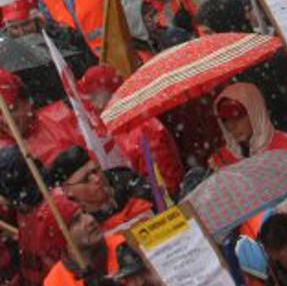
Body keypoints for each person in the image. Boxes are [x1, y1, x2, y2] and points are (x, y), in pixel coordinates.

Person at [76, 65, 183, 196]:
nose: (91, 104)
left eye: (92, 96)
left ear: (107, 91)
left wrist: (160, 197)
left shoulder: (137, 124)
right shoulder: (120, 124)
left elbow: (163, 174)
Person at [44, 147, 153, 232]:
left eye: (95, 171)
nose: (97, 179)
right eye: (85, 179)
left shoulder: (128, 181)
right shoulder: (75, 222)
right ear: (67, 191)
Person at [42, 194, 123, 286]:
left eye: (85, 212)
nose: (90, 220)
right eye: (76, 221)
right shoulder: (53, 285)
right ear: (62, 237)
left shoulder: (123, 246)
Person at [0, 70, 83, 166]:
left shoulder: (65, 114)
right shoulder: (3, 155)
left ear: (26, 102)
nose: (5, 119)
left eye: (11, 109)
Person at [212, 83, 287, 165]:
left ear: (255, 111)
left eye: (237, 116)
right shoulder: (221, 161)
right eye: (224, 120)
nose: (231, 126)